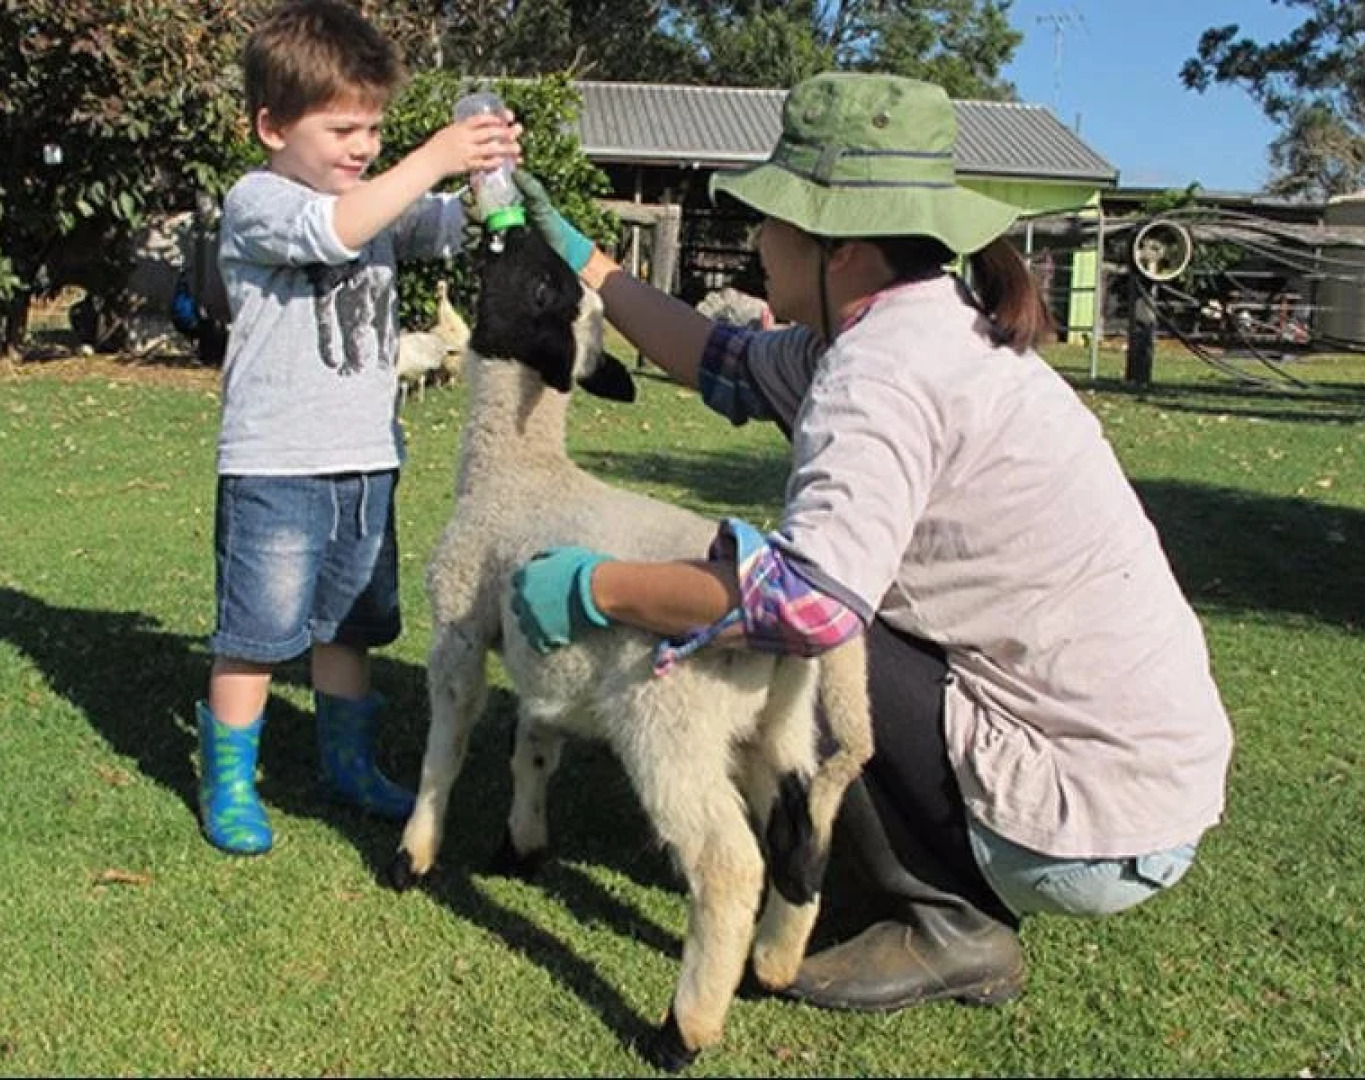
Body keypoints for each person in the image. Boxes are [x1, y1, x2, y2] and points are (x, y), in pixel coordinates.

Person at [507, 71, 1234, 1011]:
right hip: (1145, 791)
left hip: (1086, 820)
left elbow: (802, 605)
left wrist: (597, 588)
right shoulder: (908, 326)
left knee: (799, 620)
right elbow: (714, 358)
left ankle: (949, 921)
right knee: (806, 603)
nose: (757, 239)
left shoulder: (884, 374)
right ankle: (908, 873)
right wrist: (589, 265)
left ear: (837, 244)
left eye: (775, 217)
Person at [196, 0, 522, 856]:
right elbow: (337, 233)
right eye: (343, 128)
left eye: (374, 129)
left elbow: (447, 223)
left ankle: (347, 761)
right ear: (270, 125)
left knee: (351, 624)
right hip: (273, 465)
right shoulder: (259, 201)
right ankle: (230, 779)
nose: (364, 147)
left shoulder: (370, 197)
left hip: (366, 461)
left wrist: (491, 175)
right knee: (255, 635)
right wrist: (431, 157)